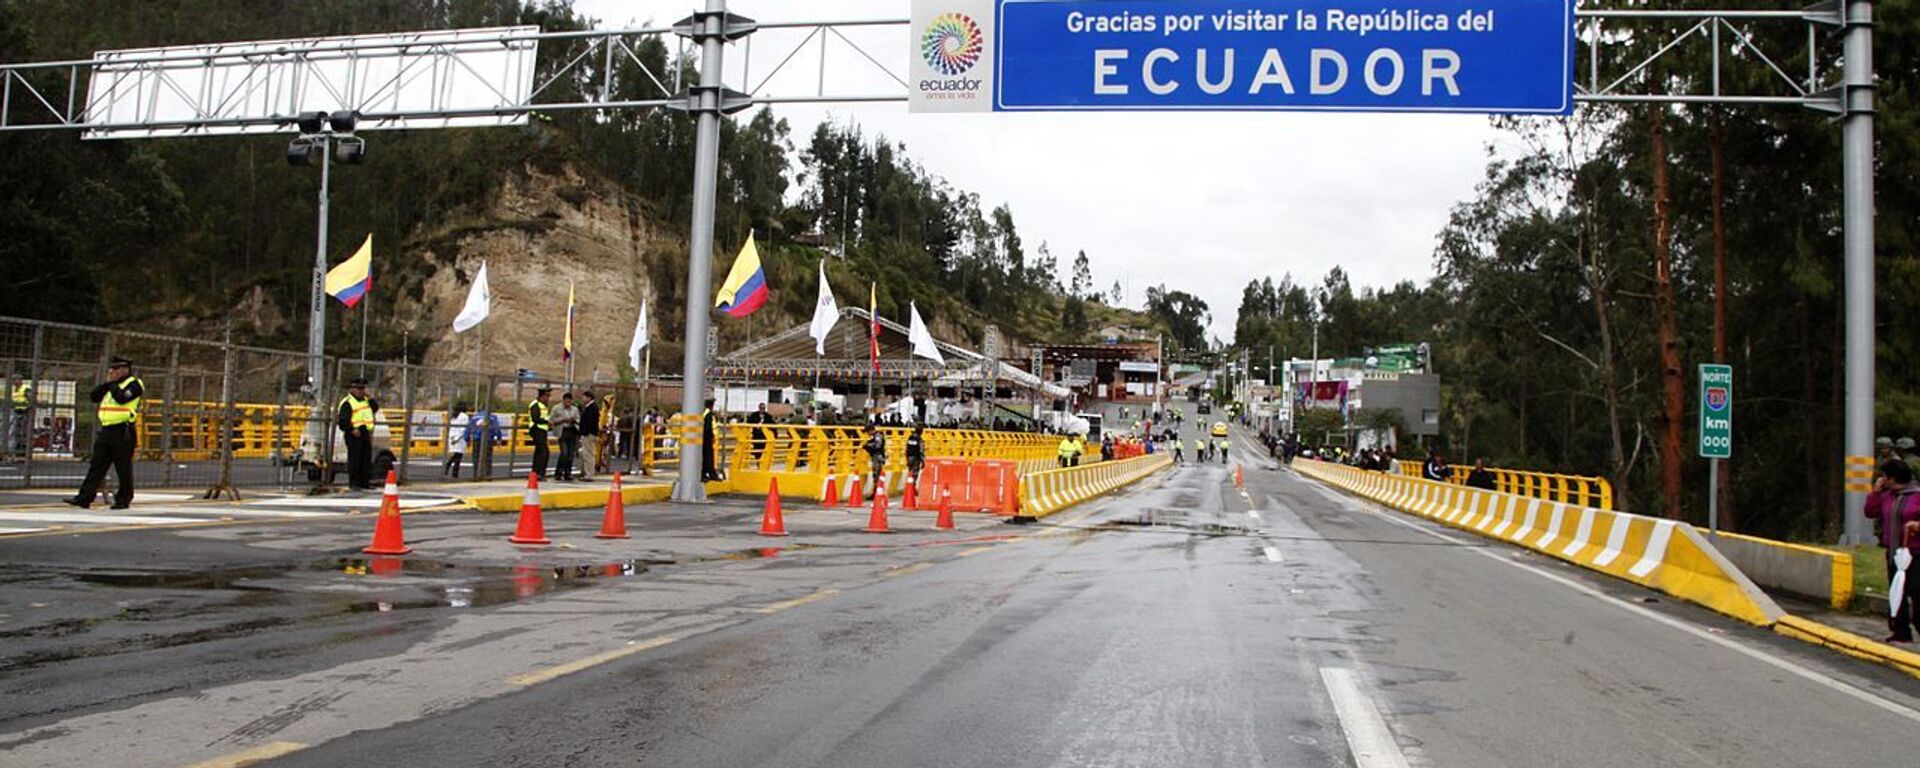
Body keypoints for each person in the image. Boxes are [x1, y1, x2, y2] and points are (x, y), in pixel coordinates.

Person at [64, 357, 143, 509]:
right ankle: (84, 497)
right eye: (112, 369)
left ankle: (123, 499)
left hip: (123, 430)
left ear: (126, 369)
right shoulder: (111, 385)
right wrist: (107, 383)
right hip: (107, 429)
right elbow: (94, 396)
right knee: (97, 465)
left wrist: (112, 384)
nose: (113, 372)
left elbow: (122, 399)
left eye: (117, 369)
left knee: (123, 466)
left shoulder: (134, 384)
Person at [1865, 459, 1920, 643]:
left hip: (1915, 554)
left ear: (1892, 477)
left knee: (1916, 591)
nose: (1882, 479)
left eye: (1884, 476)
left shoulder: (1917, 496)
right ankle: (1900, 630)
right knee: (1897, 592)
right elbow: (1870, 512)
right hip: (1894, 553)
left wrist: (1917, 526)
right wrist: (1875, 492)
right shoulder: (1888, 496)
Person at [336, 378, 379, 490]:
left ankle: (365, 482)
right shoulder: (348, 402)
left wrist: (370, 397)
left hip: (365, 433)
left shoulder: (366, 400)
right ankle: (354, 483)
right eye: (359, 388)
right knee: (355, 459)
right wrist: (351, 430)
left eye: (363, 388)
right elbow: (342, 421)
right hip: (354, 434)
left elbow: (375, 408)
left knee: (366, 458)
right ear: (353, 389)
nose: (361, 391)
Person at [551, 392, 581, 481]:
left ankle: (568, 473)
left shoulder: (575, 409)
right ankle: (558, 473)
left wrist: (574, 420)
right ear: (563, 400)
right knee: (564, 453)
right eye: (566, 402)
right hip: (562, 431)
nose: (568, 403)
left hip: (572, 431)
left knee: (570, 454)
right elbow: (551, 420)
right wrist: (562, 420)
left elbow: (579, 419)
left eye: (570, 402)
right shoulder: (556, 408)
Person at [527, 387, 553, 480]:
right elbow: (535, 418)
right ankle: (538, 473)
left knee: (540, 452)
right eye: (547, 396)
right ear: (542, 396)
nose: (548, 398)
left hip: (542, 430)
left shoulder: (543, 405)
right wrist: (547, 422)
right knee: (543, 452)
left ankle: (536, 472)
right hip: (536, 430)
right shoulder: (535, 405)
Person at [578, 390, 601, 481]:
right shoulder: (592, 407)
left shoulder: (591, 408)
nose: (582, 399)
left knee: (588, 454)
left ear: (589, 398)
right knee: (587, 453)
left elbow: (589, 422)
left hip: (588, 434)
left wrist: (584, 432)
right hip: (590, 433)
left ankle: (589, 474)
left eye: (584, 397)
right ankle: (588, 473)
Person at [444, 404, 469, 478]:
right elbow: (463, 428)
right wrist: (457, 439)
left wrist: (452, 438)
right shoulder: (464, 416)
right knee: (458, 457)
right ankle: (454, 473)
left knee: (455, 455)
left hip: (452, 437)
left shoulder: (453, 416)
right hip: (459, 439)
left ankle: (448, 467)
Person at [701, 398, 721, 482]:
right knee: (708, 457)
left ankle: (706, 473)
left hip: (704, 438)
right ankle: (710, 474)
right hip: (707, 439)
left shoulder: (704, 413)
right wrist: (711, 437)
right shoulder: (708, 414)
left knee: (706, 457)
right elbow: (708, 428)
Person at [862, 424, 887, 491]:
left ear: (871, 430)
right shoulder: (874, 437)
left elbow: (877, 446)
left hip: (878, 457)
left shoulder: (878, 436)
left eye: (867, 432)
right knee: (876, 475)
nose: (867, 434)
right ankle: (876, 491)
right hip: (875, 457)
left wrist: (868, 446)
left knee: (877, 475)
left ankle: (877, 492)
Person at [8, 375, 28, 454]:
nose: (13, 382)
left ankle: (20, 451)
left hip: (24, 412)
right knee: (13, 432)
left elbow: (30, 399)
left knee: (21, 433)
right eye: (12, 380)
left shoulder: (25, 388)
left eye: (14, 380)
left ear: (20, 380)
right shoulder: (16, 390)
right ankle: (13, 451)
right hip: (16, 412)